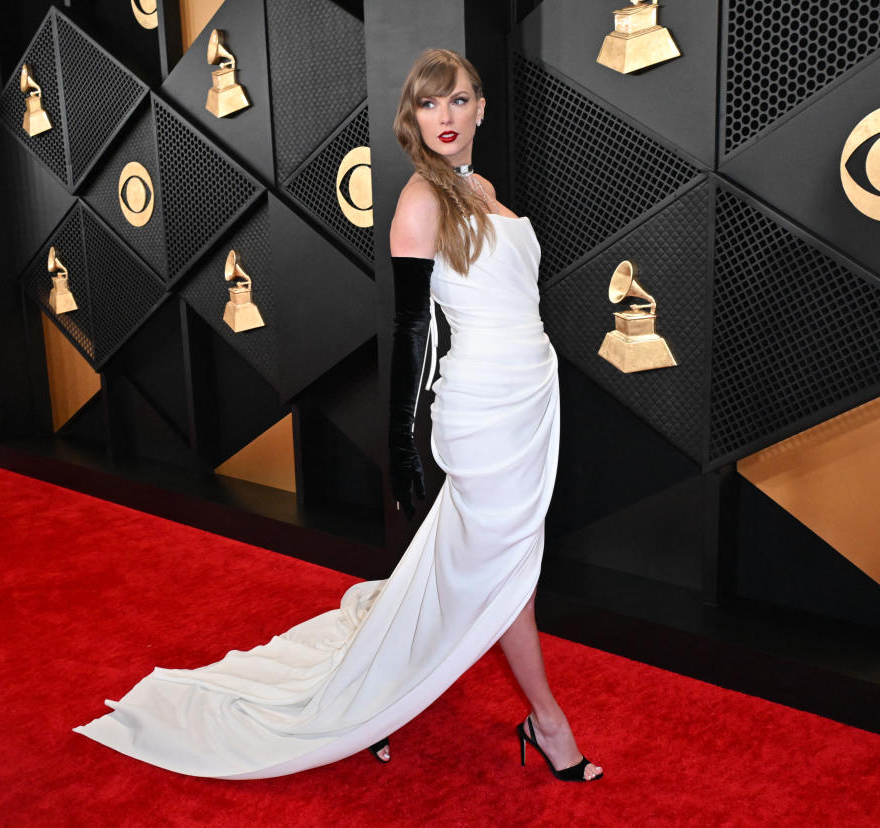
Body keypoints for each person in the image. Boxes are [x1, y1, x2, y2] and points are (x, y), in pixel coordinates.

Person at [74, 48, 600, 783]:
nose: (443, 117)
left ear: (481, 107)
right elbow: (413, 328)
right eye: (428, 104)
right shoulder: (422, 199)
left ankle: (388, 694)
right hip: (481, 407)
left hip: (531, 398)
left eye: (457, 101)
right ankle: (546, 721)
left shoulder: (481, 188)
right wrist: (401, 442)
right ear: (413, 117)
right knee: (503, 567)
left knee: (493, 565)